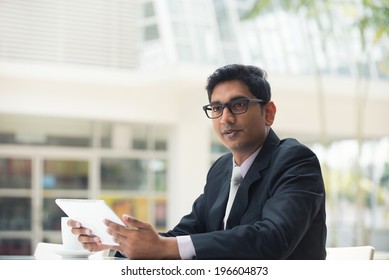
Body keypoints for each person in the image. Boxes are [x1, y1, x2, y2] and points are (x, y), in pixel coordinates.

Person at [68, 64, 327, 259]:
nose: (225, 118)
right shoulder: (220, 170)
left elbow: (272, 240)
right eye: (216, 108)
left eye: (237, 105)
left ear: (268, 112)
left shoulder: (294, 160)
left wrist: (164, 247)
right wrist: (121, 243)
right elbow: (187, 234)